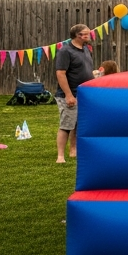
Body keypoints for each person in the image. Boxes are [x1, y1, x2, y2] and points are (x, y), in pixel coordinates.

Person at [54, 24, 95, 164]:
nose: (89, 35)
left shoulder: (85, 49)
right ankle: (60, 156)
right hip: (69, 94)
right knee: (66, 125)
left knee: (78, 124)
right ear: (78, 35)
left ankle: (73, 150)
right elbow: (60, 73)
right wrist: (69, 95)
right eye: (86, 34)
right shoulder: (65, 51)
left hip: (84, 94)